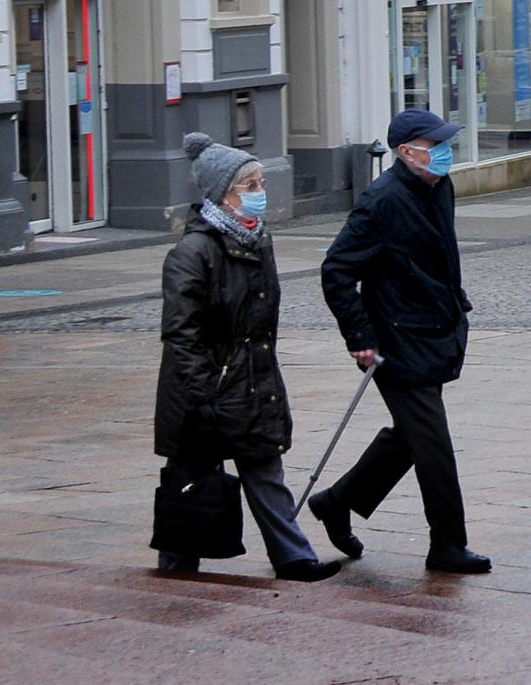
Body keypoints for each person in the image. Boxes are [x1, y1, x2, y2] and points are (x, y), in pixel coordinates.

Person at [308, 109, 491, 575]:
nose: (446, 153)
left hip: (435, 331)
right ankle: (447, 544)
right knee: (433, 445)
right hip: (397, 342)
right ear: (407, 153)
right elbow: (337, 271)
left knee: (411, 439)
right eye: (437, 145)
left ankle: (336, 501)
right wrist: (360, 337)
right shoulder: (382, 201)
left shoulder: (437, 187)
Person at [153, 135, 339, 581]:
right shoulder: (192, 253)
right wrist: (204, 395)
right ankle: (176, 567)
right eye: (249, 186)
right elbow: (181, 334)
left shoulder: (257, 241)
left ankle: (294, 558)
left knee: (264, 468)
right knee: (191, 480)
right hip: (205, 390)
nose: (259, 193)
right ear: (222, 194)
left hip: (252, 379)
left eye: (260, 183)